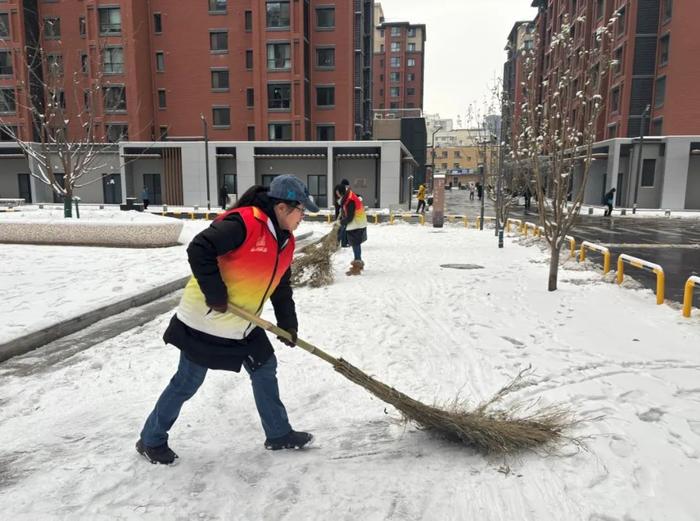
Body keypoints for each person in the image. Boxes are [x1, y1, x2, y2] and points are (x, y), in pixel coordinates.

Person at [136, 174, 319, 465]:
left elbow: (281, 287)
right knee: (188, 381)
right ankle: (151, 439)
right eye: (301, 211)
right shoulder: (245, 223)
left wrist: (288, 325)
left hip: (244, 324)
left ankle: (278, 433)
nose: (303, 218)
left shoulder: (285, 241)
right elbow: (200, 248)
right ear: (283, 207)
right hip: (207, 320)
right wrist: (215, 292)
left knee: (264, 368)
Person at [337, 184, 367, 276]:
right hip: (358, 223)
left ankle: (357, 268)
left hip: (356, 224)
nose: (336, 193)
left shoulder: (349, 200)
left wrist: (341, 222)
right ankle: (358, 265)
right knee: (356, 244)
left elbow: (350, 217)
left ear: (340, 192)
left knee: (355, 244)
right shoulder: (348, 197)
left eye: (337, 191)